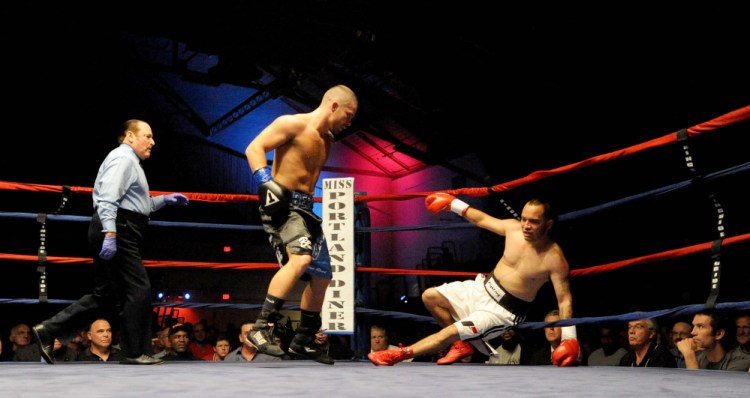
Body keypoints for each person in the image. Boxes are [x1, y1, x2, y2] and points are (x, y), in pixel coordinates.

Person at [31, 119, 190, 365]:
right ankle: (136, 352)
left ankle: (48, 330)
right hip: (118, 228)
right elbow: (107, 199)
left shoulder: (129, 162)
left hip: (120, 226)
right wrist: (111, 233)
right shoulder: (123, 159)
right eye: (147, 136)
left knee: (104, 295)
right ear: (130, 136)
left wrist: (164, 200)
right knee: (139, 289)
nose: (152, 142)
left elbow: (140, 205)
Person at [368, 196, 580, 366]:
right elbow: (481, 219)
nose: (525, 225)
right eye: (524, 218)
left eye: (534, 221)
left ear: (548, 224)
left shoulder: (554, 258)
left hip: (501, 312)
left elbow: (564, 300)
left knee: (449, 332)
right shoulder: (513, 228)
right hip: (481, 288)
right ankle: (461, 346)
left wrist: (570, 338)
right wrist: (453, 203)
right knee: (430, 296)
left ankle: (396, 356)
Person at [244, 84, 358, 365]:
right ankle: (261, 329)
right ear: (333, 105)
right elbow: (254, 147)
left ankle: (302, 342)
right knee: (301, 259)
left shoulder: (328, 139)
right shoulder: (292, 124)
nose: (350, 122)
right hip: (283, 205)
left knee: (324, 275)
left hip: (307, 209)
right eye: (349, 114)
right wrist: (265, 184)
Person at [676, 309, 750, 371]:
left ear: (719, 334)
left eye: (700, 326)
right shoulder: (698, 359)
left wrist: (689, 355)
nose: (692, 332)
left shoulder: (740, 360)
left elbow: (699, 387)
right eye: (694, 326)